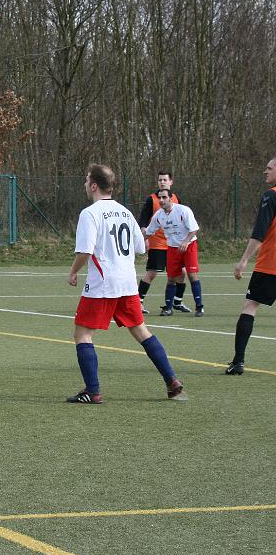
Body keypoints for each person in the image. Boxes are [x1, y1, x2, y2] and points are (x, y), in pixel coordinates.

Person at [66, 164, 186, 404]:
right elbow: (141, 248)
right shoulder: (125, 212)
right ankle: (172, 380)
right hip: (128, 282)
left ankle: (93, 391)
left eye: (87, 180)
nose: (85, 184)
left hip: (103, 284)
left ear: (94, 186)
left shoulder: (90, 213)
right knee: (141, 331)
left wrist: (73, 271)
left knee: (83, 333)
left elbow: (85, 251)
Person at [226, 157, 276, 375]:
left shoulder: (271, 195)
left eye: (269, 168)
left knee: (250, 306)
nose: (265, 171)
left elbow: (260, 231)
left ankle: (238, 362)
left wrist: (244, 259)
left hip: (270, 265)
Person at [144, 189, 205, 317]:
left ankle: (199, 307)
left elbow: (194, 229)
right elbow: (149, 232)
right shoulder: (158, 215)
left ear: (171, 199)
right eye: (159, 198)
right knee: (171, 278)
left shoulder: (183, 210)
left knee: (192, 275)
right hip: (172, 248)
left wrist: (185, 242)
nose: (161, 200)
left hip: (189, 245)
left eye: (164, 197)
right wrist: (135, 243)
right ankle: (168, 308)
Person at [137, 171, 190, 313]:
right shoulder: (152, 199)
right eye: (160, 180)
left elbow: (183, 220)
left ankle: (177, 301)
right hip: (157, 243)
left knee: (181, 273)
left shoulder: (176, 199)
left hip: (174, 244)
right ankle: (138, 302)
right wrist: (144, 238)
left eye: (165, 180)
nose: (162, 182)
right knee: (152, 273)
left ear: (171, 182)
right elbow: (143, 220)